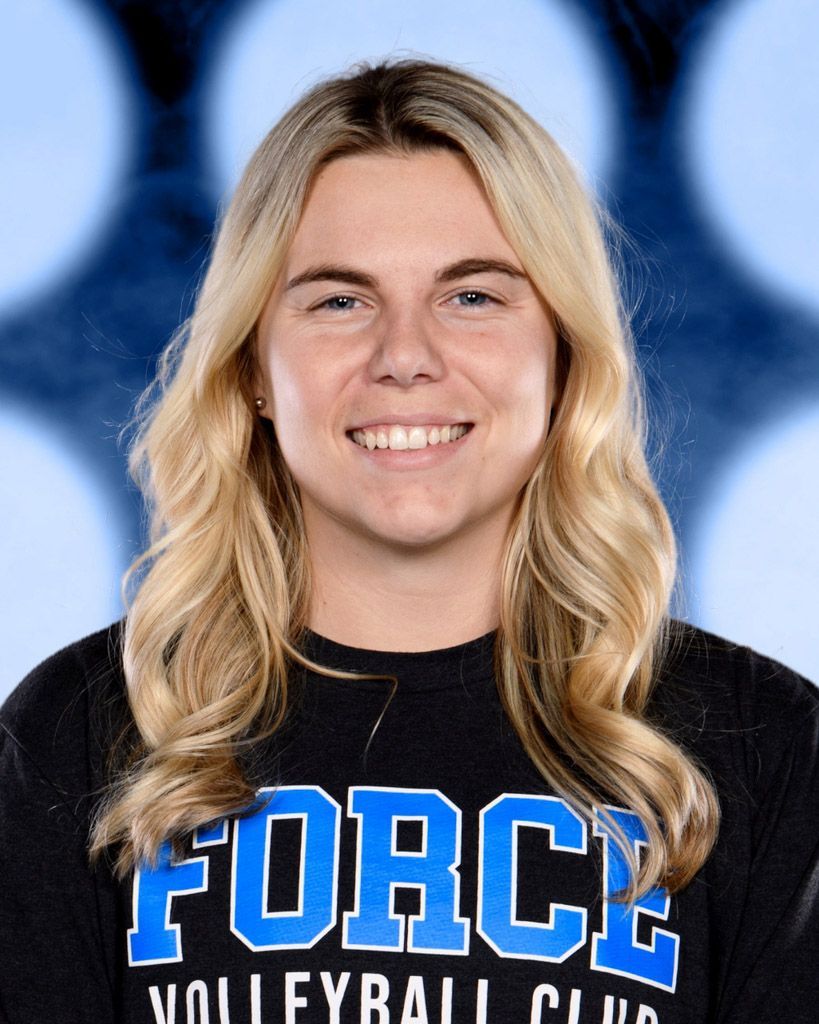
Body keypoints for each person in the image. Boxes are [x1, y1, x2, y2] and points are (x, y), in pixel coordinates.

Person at [1, 59, 817, 1024]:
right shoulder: (83, 731)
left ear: (561, 356)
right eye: (338, 301)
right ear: (253, 367)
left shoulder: (762, 743)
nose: (403, 358)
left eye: (472, 297)